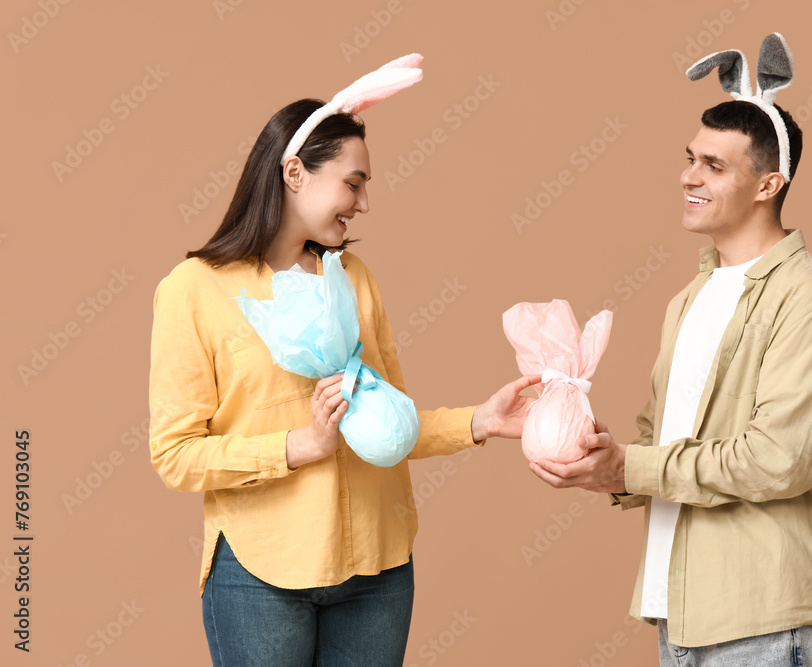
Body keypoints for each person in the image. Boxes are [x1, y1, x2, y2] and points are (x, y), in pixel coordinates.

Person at [148, 57, 539, 667]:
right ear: (295, 172)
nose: (362, 203)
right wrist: (297, 446)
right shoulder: (193, 290)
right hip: (261, 573)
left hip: (377, 568)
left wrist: (479, 422)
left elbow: (385, 422)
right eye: (353, 183)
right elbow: (174, 455)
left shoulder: (352, 278)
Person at [530, 35, 812, 667]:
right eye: (690, 158)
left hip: (767, 614)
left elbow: (780, 460)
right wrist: (599, 458)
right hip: (680, 608)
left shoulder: (810, 298)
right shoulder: (691, 297)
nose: (688, 175)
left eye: (714, 165)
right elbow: (661, 439)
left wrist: (631, 467)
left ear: (769, 184)